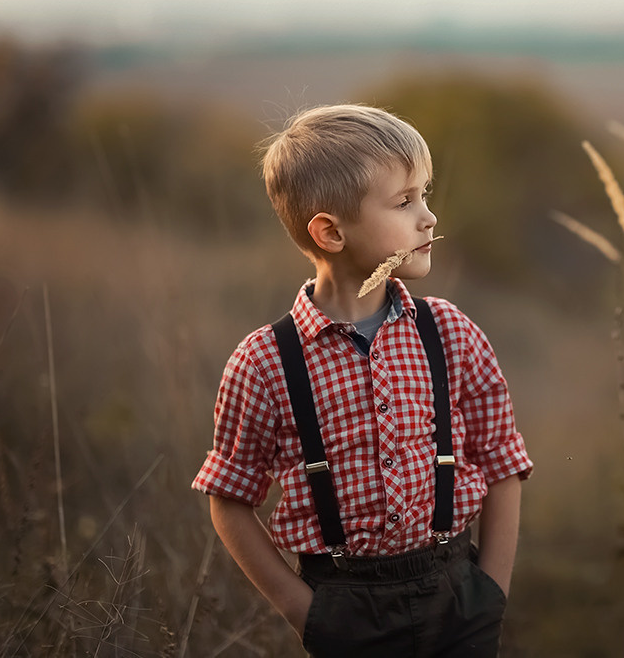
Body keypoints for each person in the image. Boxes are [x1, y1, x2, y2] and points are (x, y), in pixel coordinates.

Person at [192, 103, 532, 656]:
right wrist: (305, 612)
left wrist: (489, 593)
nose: (429, 218)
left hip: (456, 592)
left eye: (425, 194)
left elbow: (502, 462)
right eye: (404, 202)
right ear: (330, 232)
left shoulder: (449, 333)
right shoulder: (265, 361)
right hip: (344, 606)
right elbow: (228, 498)